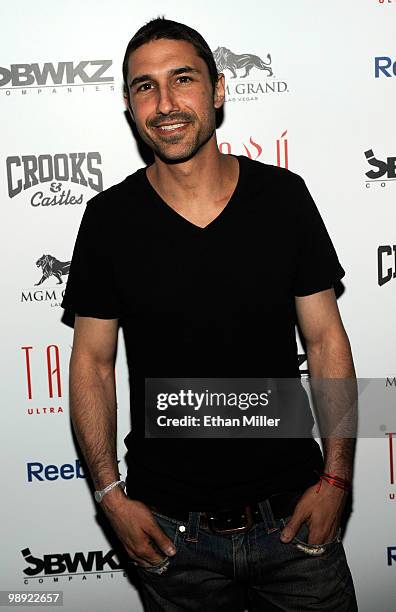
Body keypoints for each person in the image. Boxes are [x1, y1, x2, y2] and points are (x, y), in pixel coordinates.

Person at [62, 17, 358, 611]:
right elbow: (92, 364)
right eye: (145, 86)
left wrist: (336, 482)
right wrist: (110, 499)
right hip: (170, 534)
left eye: (182, 80)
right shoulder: (108, 220)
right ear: (128, 104)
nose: (165, 103)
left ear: (218, 89)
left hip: (295, 518)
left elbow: (326, 341)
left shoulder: (284, 198)